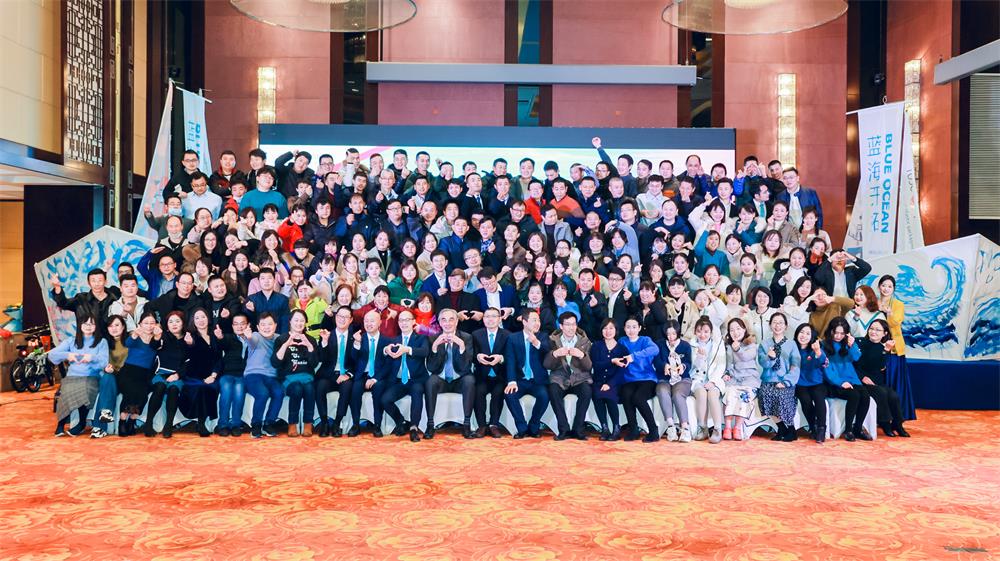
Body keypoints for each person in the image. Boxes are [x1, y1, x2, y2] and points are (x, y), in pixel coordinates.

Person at [49, 313, 109, 437]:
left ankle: (81, 423)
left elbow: (104, 361)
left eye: (92, 324)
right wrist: (67, 355)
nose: (88, 326)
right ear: (80, 325)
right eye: (85, 323)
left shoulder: (101, 342)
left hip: (91, 376)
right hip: (72, 376)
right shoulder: (71, 341)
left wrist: (91, 358)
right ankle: (60, 425)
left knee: (86, 388)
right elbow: (52, 355)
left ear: (96, 326)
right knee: (66, 390)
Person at [377, 310, 430, 442]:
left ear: (413, 322)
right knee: (385, 400)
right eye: (401, 320)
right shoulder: (394, 340)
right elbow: (382, 354)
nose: (404, 323)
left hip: (416, 379)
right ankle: (401, 422)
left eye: (407, 320)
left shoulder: (421, 338)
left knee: (417, 391)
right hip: (399, 381)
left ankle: (414, 427)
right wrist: (385, 350)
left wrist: (407, 349)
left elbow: (425, 351)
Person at [424, 308, 476, 438]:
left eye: (451, 319)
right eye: (444, 320)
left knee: (469, 380)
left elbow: (465, 368)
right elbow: (432, 368)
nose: (447, 323)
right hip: (441, 380)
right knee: (430, 381)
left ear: (457, 321)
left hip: (459, 380)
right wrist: (435, 348)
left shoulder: (466, 337)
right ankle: (430, 425)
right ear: (440, 323)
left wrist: (462, 347)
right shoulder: (433, 338)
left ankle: (466, 425)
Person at [543, 312, 594, 441]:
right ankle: (563, 429)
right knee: (553, 390)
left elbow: (588, 367)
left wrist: (582, 356)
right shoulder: (552, 340)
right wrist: (555, 354)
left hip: (579, 378)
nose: (571, 328)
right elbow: (547, 365)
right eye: (568, 324)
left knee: (586, 391)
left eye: (573, 324)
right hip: (559, 378)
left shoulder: (585, 341)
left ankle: (578, 429)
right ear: (561, 326)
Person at [856, 319, 910, 438]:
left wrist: (886, 351)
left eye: (878, 330)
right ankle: (885, 423)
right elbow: (853, 364)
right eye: (871, 329)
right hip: (861, 380)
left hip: (876, 381)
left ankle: (898, 424)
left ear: (885, 333)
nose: (873, 332)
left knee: (893, 395)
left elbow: (879, 366)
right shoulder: (859, 342)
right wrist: (862, 377)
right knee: (880, 393)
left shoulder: (884, 348)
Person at [823, 317, 873, 442]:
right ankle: (848, 430)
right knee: (854, 395)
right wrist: (840, 382)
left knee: (865, 396)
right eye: (836, 332)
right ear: (830, 331)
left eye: (842, 333)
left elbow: (856, 357)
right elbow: (826, 369)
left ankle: (858, 428)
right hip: (834, 381)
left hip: (851, 378)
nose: (838, 336)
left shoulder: (848, 343)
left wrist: (852, 345)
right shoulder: (823, 345)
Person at [272, 309, 319, 437]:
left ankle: (308, 423)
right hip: (288, 378)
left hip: (307, 377)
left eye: (302, 321)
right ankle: (292, 424)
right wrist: (286, 345)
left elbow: (314, 364)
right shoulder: (281, 339)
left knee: (309, 388)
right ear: (290, 321)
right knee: (297, 388)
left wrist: (309, 346)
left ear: (305, 323)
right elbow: (275, 363)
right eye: (296, 320)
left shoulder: (310, 340)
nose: (299, 323)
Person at [615, 318, 661, 443]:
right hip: (629, 380)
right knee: (626, 394)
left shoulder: (645, 340)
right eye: (628, 327)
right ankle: (633, 429)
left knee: (638, 398)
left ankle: (653, 430)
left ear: (639, 328)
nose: (631, 330)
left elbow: (655, 350)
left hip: (647, 379)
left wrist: (634, 356)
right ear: (624, 329)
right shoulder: (622, 341)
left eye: (634, 327)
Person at [877, 274, 915, 421]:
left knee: (895, 384)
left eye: (889, 286)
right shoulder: (873, 303)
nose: (886, 289)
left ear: (893, 289)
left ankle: (898, 417)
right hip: (877, 347)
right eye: (883, 285)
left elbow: (895, 323)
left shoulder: (898, 304)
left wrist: (889, 312)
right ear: (879, 287)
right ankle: (881, 417)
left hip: (893, 350)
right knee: (880, 383)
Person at [757, 313, 801, 442]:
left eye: (781, 322)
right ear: (770, 325)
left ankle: (791, 430)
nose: (777, 325)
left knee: (781, 397)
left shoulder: (792, 344)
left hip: (785, 381)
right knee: (765, 395)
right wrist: (770, 357)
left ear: (786, 326)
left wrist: (786, 382)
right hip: (768, 380)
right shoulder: (764, 344)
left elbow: (796, 365)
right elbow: (763, 363)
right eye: (774, 322)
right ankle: (782, 429)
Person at [314, 306, 357, 437]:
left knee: (347, 387)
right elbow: (322, 359)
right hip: (328, 374)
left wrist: (348, 375)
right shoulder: (328, 334)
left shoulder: (355, 337)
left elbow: (359, 361)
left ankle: (337, 423)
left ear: (351, 320)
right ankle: (324, 422)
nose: (342, 319)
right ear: (335, 317)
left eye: (346, 317)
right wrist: (324, 342)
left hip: (345, 374)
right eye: (339, 316)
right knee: (320, 386)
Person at [117, 311, 162, 437]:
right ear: (140, 324)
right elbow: (127, 343)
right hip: (129, 371)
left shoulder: (156, 338)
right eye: (146, 323)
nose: (149, 326)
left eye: (152, 323)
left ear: (156, 324)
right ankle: (122, 422)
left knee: (142, 395)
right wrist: (135, 334)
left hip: (145, 374)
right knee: (131, 392)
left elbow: (156, 346)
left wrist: (158, 336)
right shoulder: (135, 336)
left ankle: (131, 422)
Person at [143, 311, 186, 438]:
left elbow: (189, 363)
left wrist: (178, 375)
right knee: (160, 387)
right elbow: (154, 346)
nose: (174, 324)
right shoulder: (163, 337)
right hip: (160, 373)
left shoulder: (188, 339)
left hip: (177, 375)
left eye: (177, 321)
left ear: (183, 323)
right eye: (170, 322)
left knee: (173, 389)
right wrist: (157, 337)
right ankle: (148, 423)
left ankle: (169, 425)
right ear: (167, 325)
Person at [347, 310, 390, 437]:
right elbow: (352, 360)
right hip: (362, 374)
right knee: (355, 390)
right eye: (366, 321)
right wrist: (357, 344)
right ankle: (355, 424)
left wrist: (375, 379)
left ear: (380, 322)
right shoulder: (359, 338)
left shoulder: (386, 341)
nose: (368, 324)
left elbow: (388, 365)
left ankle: (377, 425)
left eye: (372, 321)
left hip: (378, 376)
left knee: (378, 390)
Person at [471, 308, 511, 438]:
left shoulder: (507, 335)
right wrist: (477, 357)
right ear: (483, 319)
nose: (490, 319)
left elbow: (511, 356)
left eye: (494, 316)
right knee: (478, 392)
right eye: (487, 316)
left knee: (498, 393)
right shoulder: (476, 334)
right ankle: (482, 425)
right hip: (482, 375)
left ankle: (494, 424)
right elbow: (471, 354)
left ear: (499, 319)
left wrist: (501, 358)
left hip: (500, 375)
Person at [243, 313, 283, 438]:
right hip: (253, 375)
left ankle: (269, 423)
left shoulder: (279, 338)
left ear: (275, 325)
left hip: (271, 376)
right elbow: (251, 342)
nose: (266, 327)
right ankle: (256, 425)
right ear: (258, 327)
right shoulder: (256, 336)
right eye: (263, 325)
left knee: (279, 393)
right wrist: (249, 337)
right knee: (262, 393)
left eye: (270, 324)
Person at [721, 318, 760, 441]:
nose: (735, 332)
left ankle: (738, 427)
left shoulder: (752, 344)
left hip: (750, 379)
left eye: (738, 329)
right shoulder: (728, 346)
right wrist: (726, 373)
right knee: (729, 394)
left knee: (745, 396)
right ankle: (727, 427)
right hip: (735, 378)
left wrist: (737, 349)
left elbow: (746, 357)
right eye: (732, 330)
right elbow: (729, 364)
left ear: (744, 329)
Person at [689, 318, 726, 443]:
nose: (702, 335)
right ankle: (703, 428)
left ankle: (717, 429)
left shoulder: (718, 344)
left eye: (706, 331)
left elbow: (721, 365)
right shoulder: (691, 345)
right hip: (697, 378)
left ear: (711, 332)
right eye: (699, 331)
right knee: (701, 393)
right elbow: (692, 368)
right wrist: (699, 357)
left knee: (712, 393)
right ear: (695, 332)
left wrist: (713, 381)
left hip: (715, 378)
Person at [589, 319, 627, 441]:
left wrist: (610, 384)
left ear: (616, 330)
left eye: (611, 328)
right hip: (598, 380)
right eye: (605, 328)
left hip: (615, 382)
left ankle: (616, 428)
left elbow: (621, 371)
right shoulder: (596, 346)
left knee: (610, 396)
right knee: (597, 395)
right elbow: (595, 365)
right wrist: (611, 361)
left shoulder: (622, 349)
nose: (608, 331)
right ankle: (604, 428)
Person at [215, 313, 251, 437]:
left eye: (242, 323)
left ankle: (236, 424)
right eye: (236, 324)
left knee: (239, 391)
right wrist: (220, 337)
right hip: (227, 374)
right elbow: (221, 344)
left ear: (248, 325)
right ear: (232, 326)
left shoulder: (253, 339)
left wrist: (249, 339)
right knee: (226, 390)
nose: (239, 326)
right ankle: (223, 425)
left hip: (243, 375)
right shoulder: (229, 338)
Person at [655, 320, 692, 442]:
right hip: (664, 378)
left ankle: (685, 428)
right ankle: (671, 426)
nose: (670, 337)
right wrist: (664, 366)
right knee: (662, 391)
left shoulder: (685, 346)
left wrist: (683, 366)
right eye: (668, 334)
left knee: (677, 394)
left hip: (682, 379)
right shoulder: (659, 344)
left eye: (673, 333)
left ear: (678, 332)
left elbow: (689, 363)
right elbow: (656, 361)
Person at [49, 268, 120, 328]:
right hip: (88, 339)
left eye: (100, 280)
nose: (97, 284)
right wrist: (57, 287)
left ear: (105, 282)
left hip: (113, 338)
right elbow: (63, 303)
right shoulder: (81, 299)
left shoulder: (115, 298)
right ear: (88, 283)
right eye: (93, 281)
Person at [793, 323, 828, 444]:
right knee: (805, 400)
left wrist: (817, 351)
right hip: (800, 383)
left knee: (819, 398)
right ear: (797, 334)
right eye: (801, 332)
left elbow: (823, 362)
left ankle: (821, 428)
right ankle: (813, 427)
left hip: (816, 382)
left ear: (812, 336)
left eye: (808, 333)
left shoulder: (815, 348)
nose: (804, 335)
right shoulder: (792, 347)